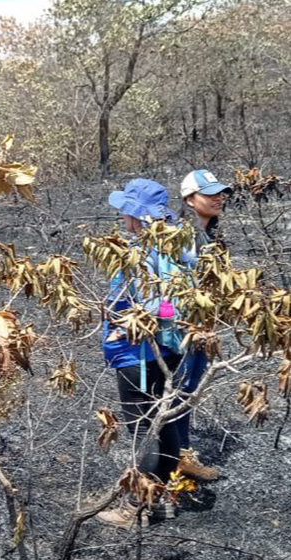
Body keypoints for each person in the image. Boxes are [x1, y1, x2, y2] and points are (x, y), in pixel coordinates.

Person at [97, 179, 184, 528]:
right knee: (165, 424)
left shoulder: (144, 253)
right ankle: (161, 500)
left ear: (139, 215)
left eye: (126, 211)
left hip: (140, 355)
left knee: (143, 430)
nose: (121, 217)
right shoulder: (177, 243)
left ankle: (136, 507)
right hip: (171, 350)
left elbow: (146, 305)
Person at [171, 169, 233, 481]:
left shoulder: (215, 234)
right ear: (190, 200)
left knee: (190, 390)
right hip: (183, 327)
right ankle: (174, 459)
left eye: (220, 192)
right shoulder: (180, 235)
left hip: (205, 326)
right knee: (179, 390)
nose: (218, 198)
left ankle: (183, 454)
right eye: (210, 194)